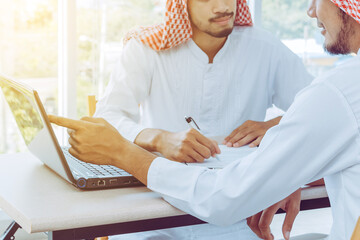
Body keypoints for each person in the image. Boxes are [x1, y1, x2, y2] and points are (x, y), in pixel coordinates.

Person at [50, 0, 360, 239]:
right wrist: (157, 138)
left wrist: (283, 150)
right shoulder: (146, 49)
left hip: (236, 215)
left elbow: (314, 109)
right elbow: (107, 117)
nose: (223, 6)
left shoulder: (266, 48)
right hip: (154, 212)